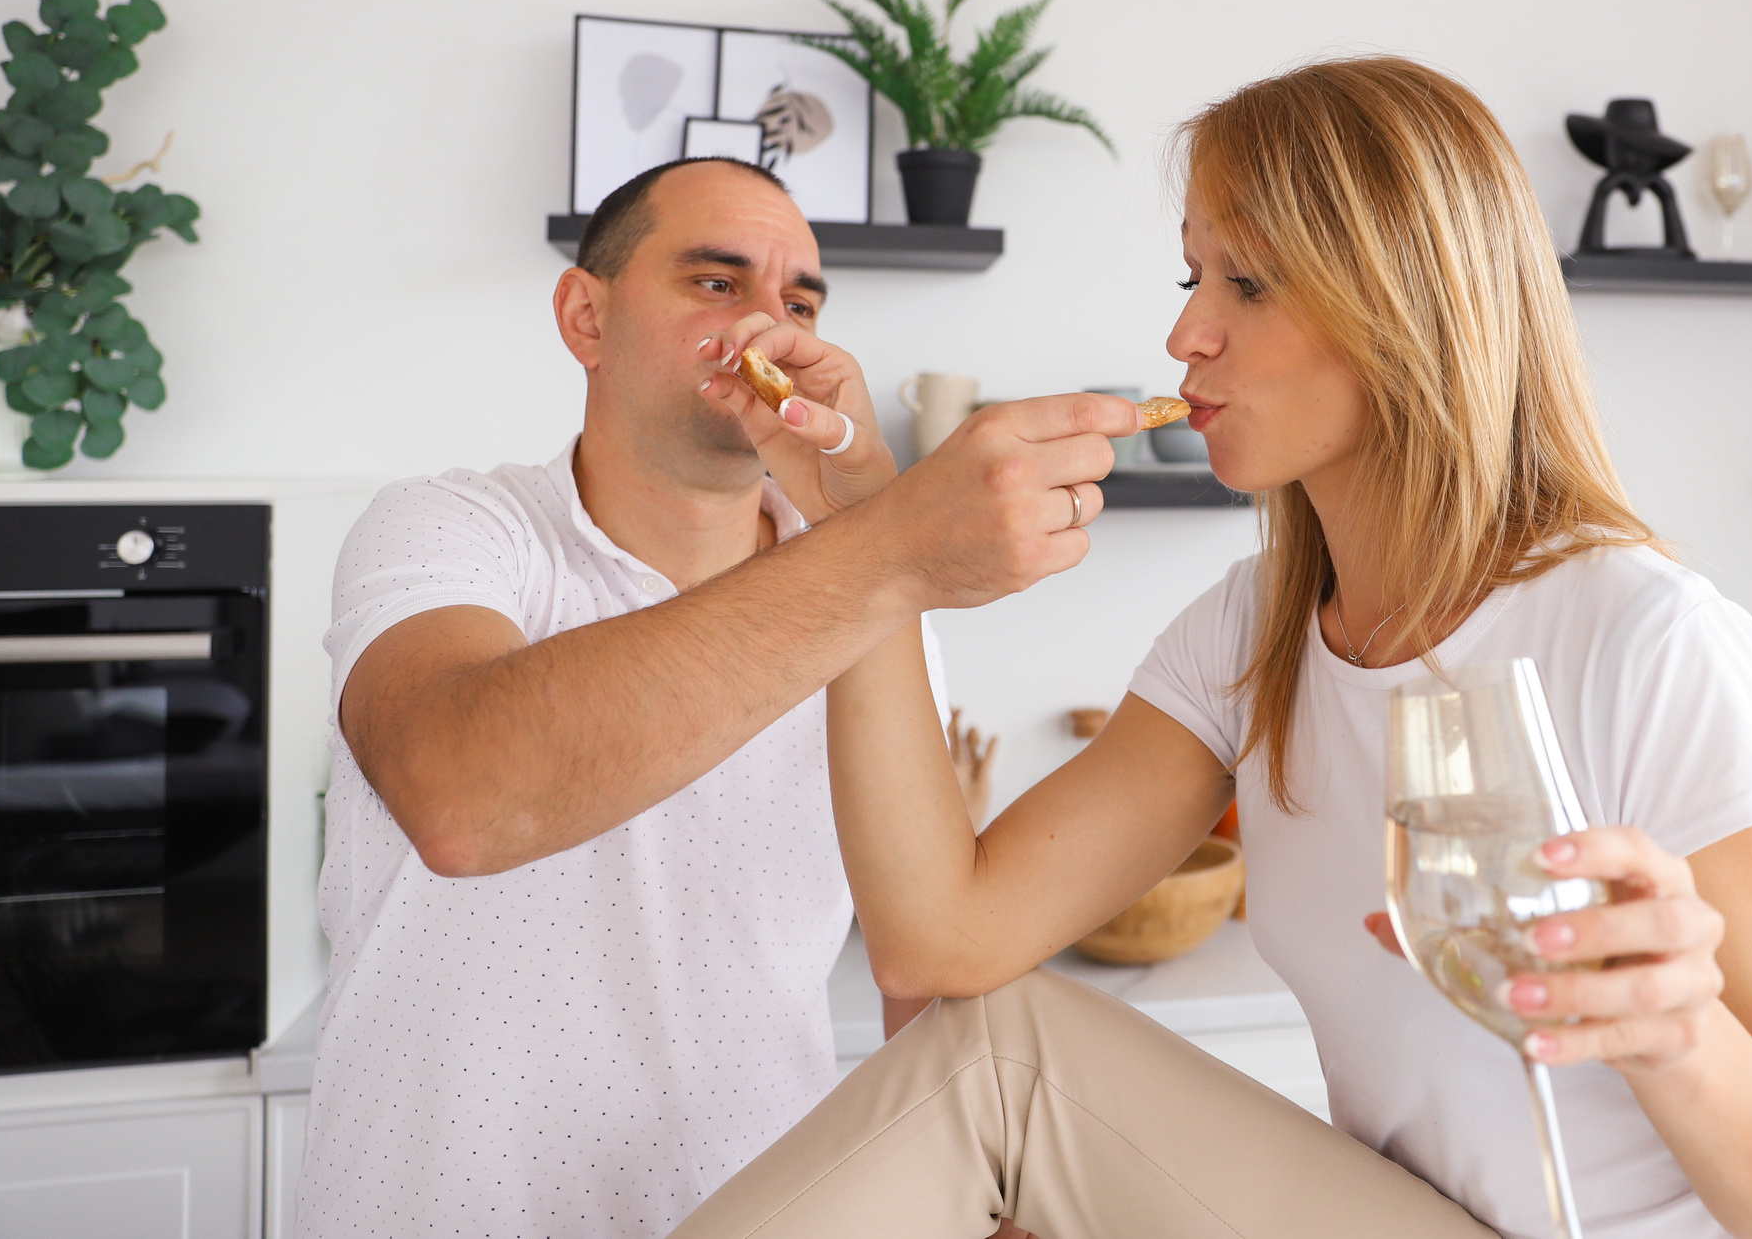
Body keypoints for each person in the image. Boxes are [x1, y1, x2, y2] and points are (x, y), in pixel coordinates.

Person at [673, 59, 1752, 1239]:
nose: (1187, 339)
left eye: (1247, 286)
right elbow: (941, 937)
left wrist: (1678, 1034)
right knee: (987, 1033)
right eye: (1189, 279)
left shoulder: (1646, 640)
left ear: (1401, 304)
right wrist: (866, 529)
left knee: (1006, 1059)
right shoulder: (1247, 637)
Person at [297, 157, 1137, 1237]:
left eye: (800, 301)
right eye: (714, 284)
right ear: (584, 316)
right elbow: (468, 800)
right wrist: (884, 543)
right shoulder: (448, 529)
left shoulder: (878, 597)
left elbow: (915, 966)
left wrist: (984, 1188)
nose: (767, 331)